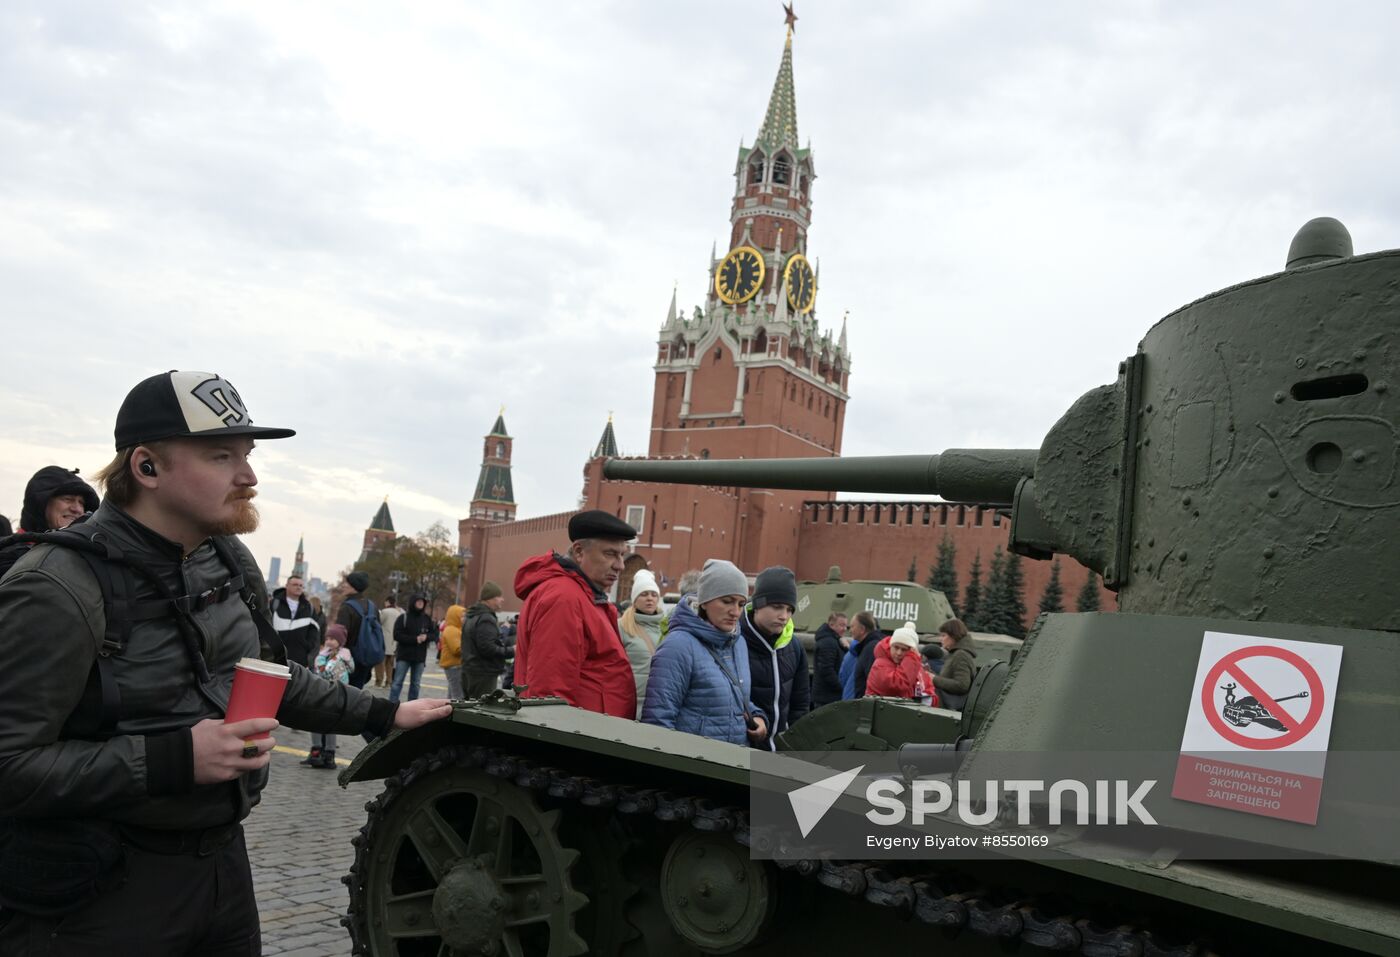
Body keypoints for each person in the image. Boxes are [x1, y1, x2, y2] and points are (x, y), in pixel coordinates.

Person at [0, 369, 452, 955]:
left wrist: (385, 715)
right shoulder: (56, 587)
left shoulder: (223, 562)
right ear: (147, 468)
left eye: (247, 455)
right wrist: (175, 758)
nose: (249, 477)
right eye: (221, 457)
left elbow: (266, 678)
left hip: (219, 873)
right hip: (90, 897)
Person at [512, 510, 639, 717]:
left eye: (622, 555)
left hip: (592, 731)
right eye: (610, 554)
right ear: (579, 552)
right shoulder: (564, 599)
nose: (620, 565)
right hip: (581, 737)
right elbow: (549, 696)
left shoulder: (581, 596)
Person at [641, 560, 768, 744]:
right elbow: (658, 720)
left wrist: (756, 716)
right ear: (705, 601)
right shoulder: (677, 646)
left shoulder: (738, 643)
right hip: (692, 764)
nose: (735, 612)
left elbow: (734, 698)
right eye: (727, 601)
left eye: (741, 604)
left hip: (732, 763)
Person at [739, 566, 809, 749]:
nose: (784, 616)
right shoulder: (734, 641)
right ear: (758, 604)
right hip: (742, 753)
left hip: (780, 753)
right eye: (777, 607)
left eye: (789, 609)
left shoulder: (794, 647)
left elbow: (800, 706)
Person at [0, 467, 101, 578]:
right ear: (40, 503)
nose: (77, 509)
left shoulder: (88, 557)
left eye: (81, 503)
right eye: (67, 499)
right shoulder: (8, 559)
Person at [301, 624, 354, 769]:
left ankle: (329, 754)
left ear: (340, 641)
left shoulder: (344, 655)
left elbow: (350, 668)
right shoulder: (323, 654)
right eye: (328, 638)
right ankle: (316, 751)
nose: (329, 641)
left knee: (331, 724)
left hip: (338, 693)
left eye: (333, 639)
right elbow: (320, 669)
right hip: (322, 691)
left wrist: (340, 660)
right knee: (315, 721)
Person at [617, 569, 664, 717]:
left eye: (653, 594)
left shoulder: (667, 627)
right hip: (629, 703)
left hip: (658, 702)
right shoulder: (622, 626)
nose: (649, 598)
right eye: (644, 594)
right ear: (635, 599)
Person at [864, 621, 937, 703]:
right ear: (890, 646)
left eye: (904, 650)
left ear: (911, 651)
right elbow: (897, 686)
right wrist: (912, 659)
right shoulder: (880, 664)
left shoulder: (915, 666)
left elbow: (930, 693)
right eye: (896, 647)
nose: (899, 653)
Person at [462, 582, 508, 698]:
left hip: (470, 671)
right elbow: (487, 649)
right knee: (482, 711)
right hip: (483, 674)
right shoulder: (486, 618)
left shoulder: (472, 615)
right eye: (499, 596)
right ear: (490, 599)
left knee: (470, 710)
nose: (502, 599)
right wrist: (512, 650)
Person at [336, 571, 378, 689]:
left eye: (347, 583)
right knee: (356, 693)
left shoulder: (347, 607)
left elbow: (340, 635)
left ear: (354, 586)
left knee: (342, 693)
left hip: (347, 658)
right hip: (366, 656)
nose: (343, 585)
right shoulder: (372, 606)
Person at [390, 594, 433, 703]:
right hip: (404, 655)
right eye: (418, 602)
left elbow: (435, 634)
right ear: (413, 603)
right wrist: (415, 639)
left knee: (416, 684)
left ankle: (412, 705)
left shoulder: (426, 619)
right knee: (397, 682)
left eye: (422, 602)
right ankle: (391, 705)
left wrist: (427, 637)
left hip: (420, 657)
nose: (420, 604)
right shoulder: (403, 618)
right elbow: (397, 635)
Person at [271, 574, 319, 668]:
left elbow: (314, 633)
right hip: (274, 657)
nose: (298, 587)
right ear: (287, 585)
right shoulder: (274, 604)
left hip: (299, 661)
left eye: (301, 585)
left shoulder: (309, 608)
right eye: (295, 584)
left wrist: (307, 648)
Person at [930, 618, 978, 709]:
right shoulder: (956, 654)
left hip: (952, 709)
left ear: (953, 636)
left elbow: (962, 685)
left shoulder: (960, 655)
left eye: (944, 635)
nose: (941, 639)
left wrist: (934, 679)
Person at [839, 611, 883, 699]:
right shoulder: (867, 646)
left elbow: (871, 681)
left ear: (862, 629)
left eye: (852, 627)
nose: (850, 630)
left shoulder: (870, 649)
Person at [810, 611, 848, 708]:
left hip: (828, 696)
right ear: (831, 625)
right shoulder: (828, 643)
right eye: (841, 625)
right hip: (827, 697)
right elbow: (826, 670)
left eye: (846, 626)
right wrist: (841, 687)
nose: (844, 629)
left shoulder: (834, 640)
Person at [376, 594, 404, 688]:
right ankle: (389, 681)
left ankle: (379, 681)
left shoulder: (384, 611)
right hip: (394, 642)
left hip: (384, 640)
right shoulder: (399, 613)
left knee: (380, 662)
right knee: (390, 663)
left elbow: (378, 623)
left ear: (388, 602)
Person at [439, 602, 466, 698]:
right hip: (453, 665)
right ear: (454, 617)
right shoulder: (451, 630)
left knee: (452, 694)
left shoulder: (457, 629)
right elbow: (456, 649)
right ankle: (452, 711)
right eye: (462, 616)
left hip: (455, 665)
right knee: (457, 695)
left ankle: (448, 711)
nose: (464, 619)